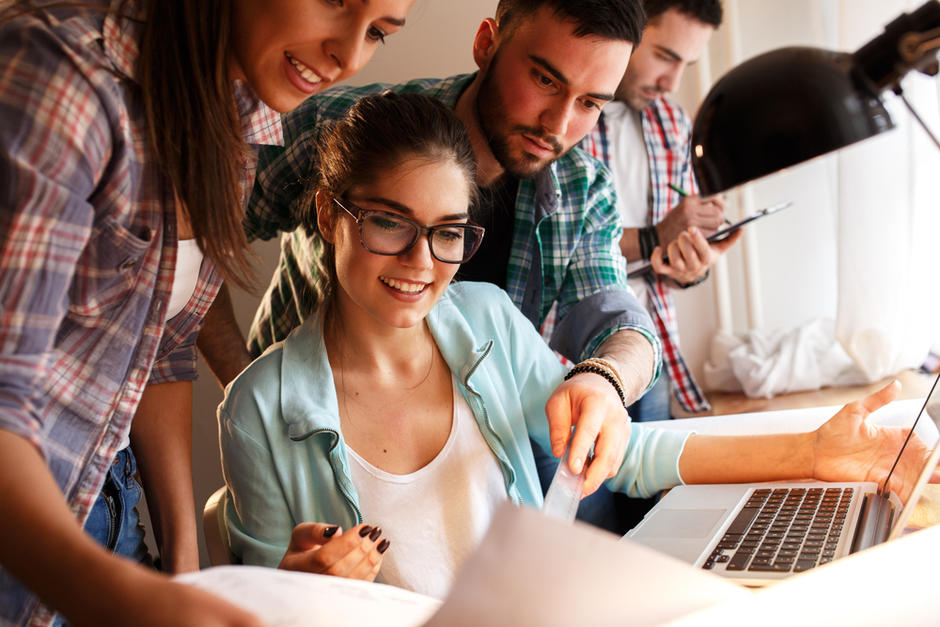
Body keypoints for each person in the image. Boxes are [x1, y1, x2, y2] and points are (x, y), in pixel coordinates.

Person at [219, 91, 933, 600]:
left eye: (447, 232)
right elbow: (260, 606)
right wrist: (300, 588)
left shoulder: (487, 321)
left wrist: (811, 454)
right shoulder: (257, 408)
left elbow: (624, 454)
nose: (419, 261)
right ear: (327, 213)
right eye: (388, 222)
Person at [0, 0, 414, 624]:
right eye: (336, 2)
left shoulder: (243, 115)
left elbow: (160, 352)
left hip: (108, 508)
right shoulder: (65, 78)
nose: (349, 56)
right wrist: (127, 596)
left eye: (379, 33)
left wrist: (185, 572)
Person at [203, 0, 659, 533]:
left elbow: (620, 323)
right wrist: (251, 387)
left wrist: (606, 379)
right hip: (314, 465)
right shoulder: (343, 131)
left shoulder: (582, 189)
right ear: (487, 43)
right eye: (544, 80)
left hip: (479, 463)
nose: (557, 124)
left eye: (590, 103)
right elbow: (191, 234)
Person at [580, 0, 736, 421]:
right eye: (665, 56)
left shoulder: (674, 121)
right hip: (569, 361)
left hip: (653, 346)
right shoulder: (565, 114)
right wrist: (656, 236)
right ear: (626, 26)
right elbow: (563, 245)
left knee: (654, 488)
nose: (672, 81)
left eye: (687, 63)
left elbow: (672, 248)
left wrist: (692, 264)